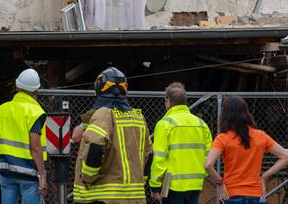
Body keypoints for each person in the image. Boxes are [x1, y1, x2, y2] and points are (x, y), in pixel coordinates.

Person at [72, 67, 152, 203]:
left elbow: (95, 146)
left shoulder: (104, 114)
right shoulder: (139, 118)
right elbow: (149, 154)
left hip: (103, 198)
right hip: (135, 198)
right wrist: (140, 180)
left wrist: (87, 177)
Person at [204, 95, 288, 203]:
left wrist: (221, 183)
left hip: (231, 193)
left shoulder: (223, 138)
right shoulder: (261, 136)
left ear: (225, 114)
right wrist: (264, 177)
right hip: (256, 194)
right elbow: (286, 157)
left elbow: (208, 165)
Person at [0, 68, 47, 203]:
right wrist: (42, 175)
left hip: (5, 171)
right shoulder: (35, 111)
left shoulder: (3, 108)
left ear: (16, 87)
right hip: (28, 172)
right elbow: (35, 146)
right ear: (36, 90)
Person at [149, 82, 213, 204]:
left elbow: (159, 158)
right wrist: (200, 177)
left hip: (172, 186)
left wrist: (155, 185)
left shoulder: (165, 124)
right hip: (195, 185)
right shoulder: (201, 124)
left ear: (168, 101)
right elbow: (208, 156)